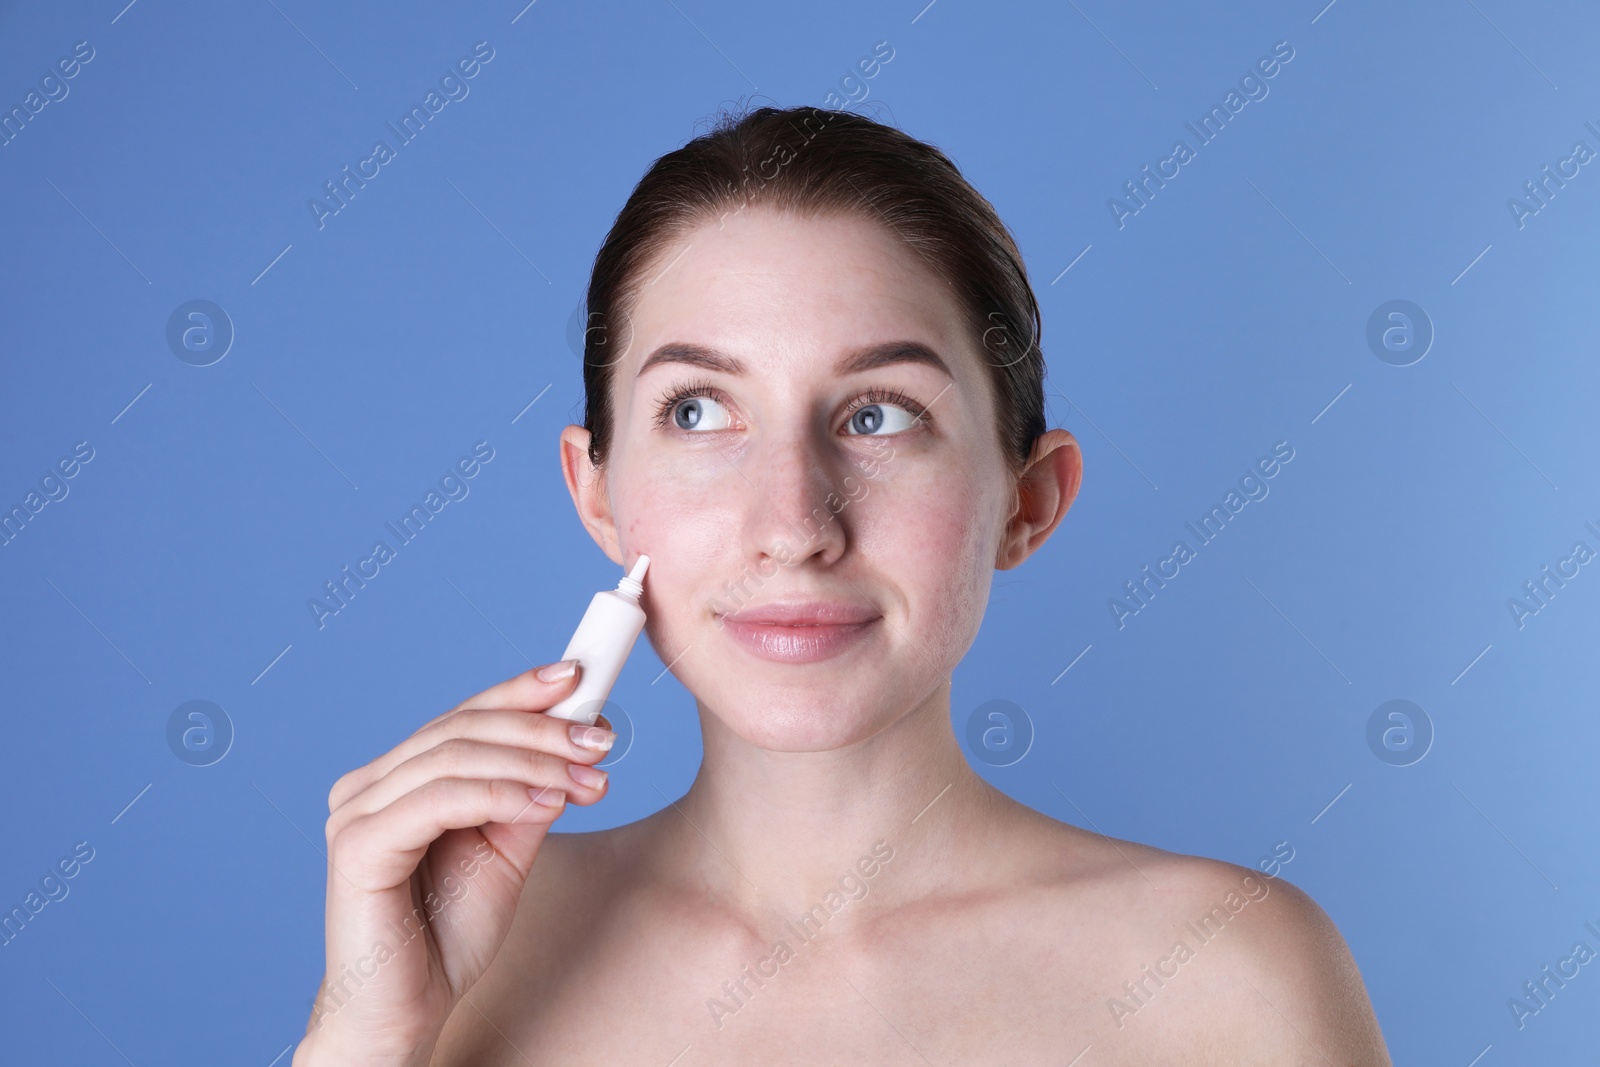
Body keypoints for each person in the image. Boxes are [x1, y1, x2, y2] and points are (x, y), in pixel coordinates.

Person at [293, 104, 1392, 1065]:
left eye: (878, 416)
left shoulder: (1226, 976)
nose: (792, 525)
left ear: (1028, 499)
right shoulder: (458, 960)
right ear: (597, 491)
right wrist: (362, 1041)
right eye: (697, 410)